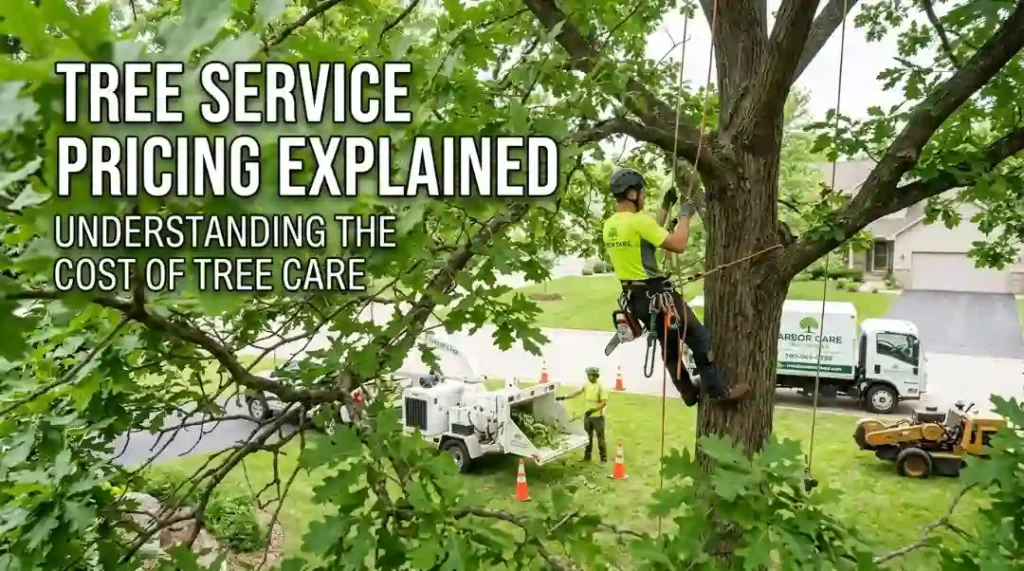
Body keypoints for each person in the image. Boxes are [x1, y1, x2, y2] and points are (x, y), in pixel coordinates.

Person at [602, 167, 749, 407]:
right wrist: (685, 215)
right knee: (698, 337)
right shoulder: (638, 221)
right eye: (641, 192)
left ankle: (688, 392)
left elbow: (646, 238)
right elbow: (677, 244)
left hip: (637, 301)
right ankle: (719, 391)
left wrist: (664, 206)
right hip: (658, 295)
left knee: (669, 346)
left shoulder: (611, 225)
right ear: (631, 194)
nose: (644, 196)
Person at [560, 366, 608, 462]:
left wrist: (593, 410)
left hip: (598, 417)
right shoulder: (587, 385)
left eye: (590, 375)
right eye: (587, 375)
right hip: (587, 416)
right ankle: (587, 457)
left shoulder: (601, 387)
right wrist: (564, 397)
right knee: (587, 438)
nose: (588, 377)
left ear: (595, 375)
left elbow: (604, 402)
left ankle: (603, 458)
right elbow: (577, 392)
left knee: (600, 439)